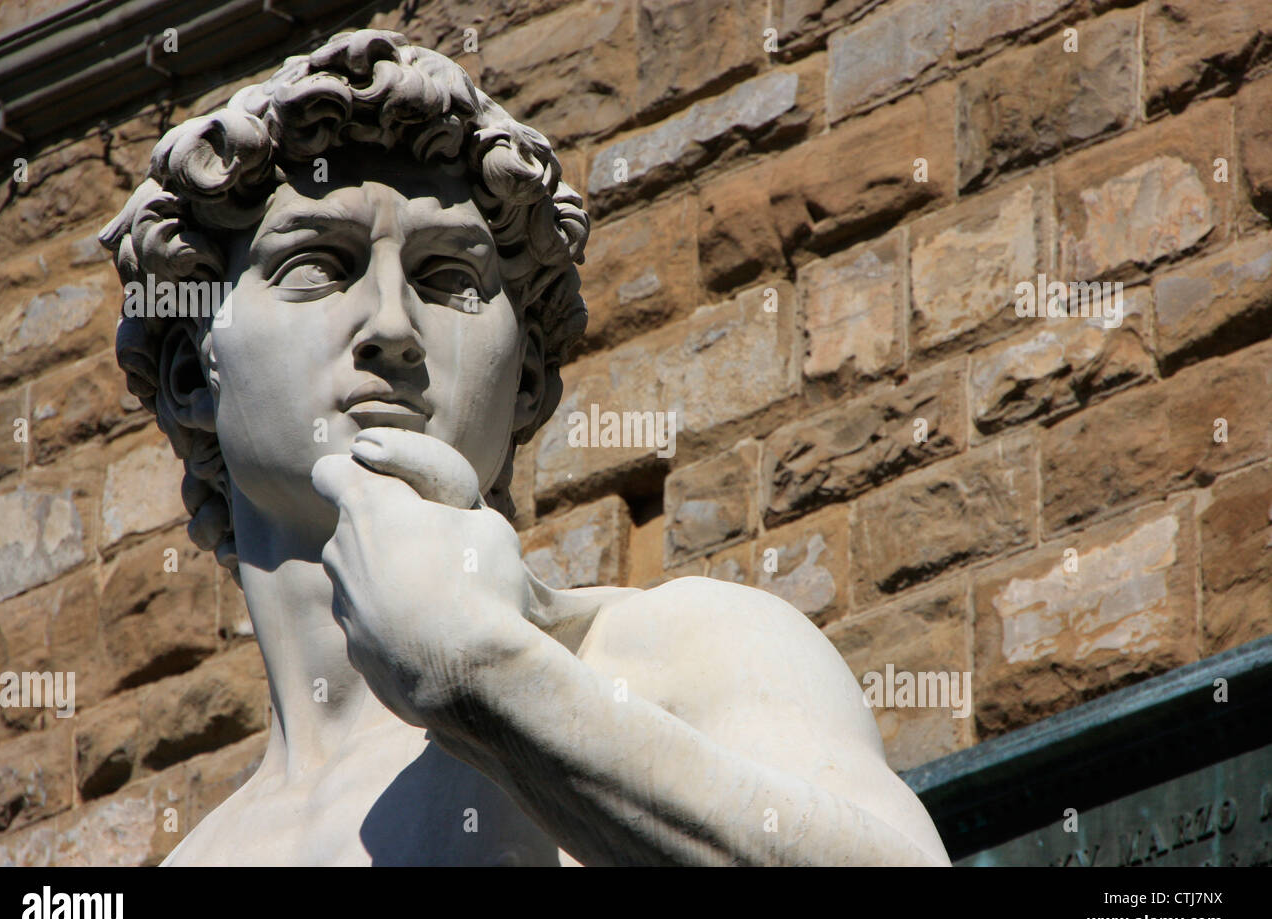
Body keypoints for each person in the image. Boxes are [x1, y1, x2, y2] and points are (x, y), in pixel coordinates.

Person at [99, 29, 950, 866]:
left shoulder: (679, 658)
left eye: (447, 278)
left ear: (529, 381)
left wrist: (486, 678)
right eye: (319, 266)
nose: (392, 328)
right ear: (189, 373)